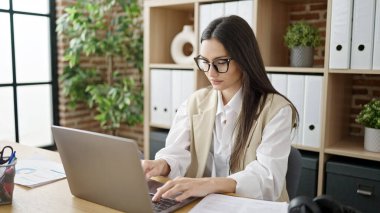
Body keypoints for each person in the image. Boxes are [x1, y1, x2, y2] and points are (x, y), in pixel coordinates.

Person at [142, 15, 298, 203]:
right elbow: (176, 151)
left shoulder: (276, 110)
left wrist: (209, 184)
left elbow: (267, 180)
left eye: (220, 62)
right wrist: (161, 165)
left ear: (243, 59)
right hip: (205, 206)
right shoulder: (194, 102)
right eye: (205, 62)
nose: (210, 72)